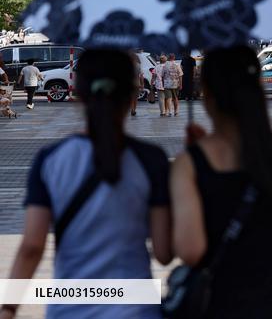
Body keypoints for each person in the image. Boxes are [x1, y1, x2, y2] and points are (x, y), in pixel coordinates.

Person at [2, 50, 171, 319]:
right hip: (136, 307)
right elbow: (163, 251)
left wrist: (9, 307)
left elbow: (32, 246)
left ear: (78, 93)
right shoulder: (151, 160)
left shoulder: (51, 160)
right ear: (131, 94)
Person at [170, 46, 272, 318]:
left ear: (207, 94)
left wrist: (195, 157)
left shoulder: (191, 164)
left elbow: (190, 250)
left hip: (222, 304)